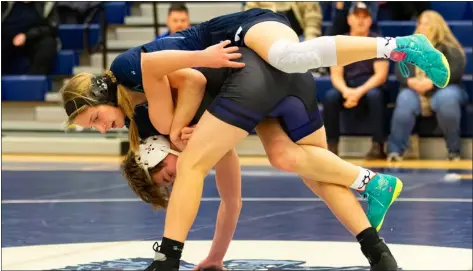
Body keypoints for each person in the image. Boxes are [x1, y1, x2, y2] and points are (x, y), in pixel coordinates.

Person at [61, 48, 402, 271]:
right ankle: (378, 250)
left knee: (292, 164)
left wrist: (179, 123)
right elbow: (232, 200)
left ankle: (167, 258)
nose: (102, 130)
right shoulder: (194, 132)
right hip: (269, 89)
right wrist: (215, 258)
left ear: (155, 151)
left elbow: (187, 76)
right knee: (305, 167)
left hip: (255, 77)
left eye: (94, 121)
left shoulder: (156, 112)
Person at [387, 10, 467, 161]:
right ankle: (395, 151)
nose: (422, 27)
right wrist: (409, 81)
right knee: (404, 100)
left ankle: (454, 151)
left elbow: (455, 71)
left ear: (438, 26)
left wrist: (432, 83)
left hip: (443, 88)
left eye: (427, 24)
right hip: (414, 88)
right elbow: (400, 69)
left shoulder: (450, 48)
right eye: (421, 24)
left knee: (448, 100)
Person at [323, 2, 389, 159]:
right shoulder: (340, 43)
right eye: (356, 16)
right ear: (348, 19)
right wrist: (347, 91)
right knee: (330, 97)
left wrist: (358, 92)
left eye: (364, 17)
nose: (360, 20)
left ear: (370, 20)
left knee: (375, 96)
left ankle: (378, 146)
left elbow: (381, 75)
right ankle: (331, 146)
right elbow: (336, 74)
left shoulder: (378, 42)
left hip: (370, 84)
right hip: (348, 85)